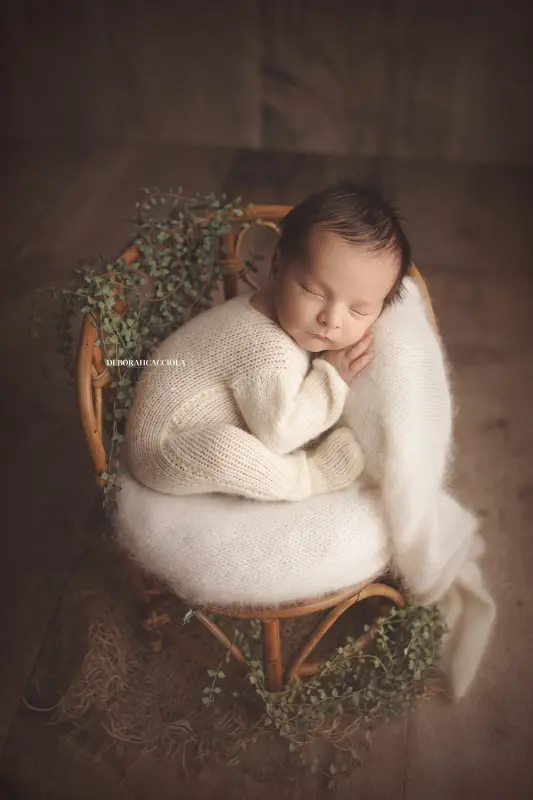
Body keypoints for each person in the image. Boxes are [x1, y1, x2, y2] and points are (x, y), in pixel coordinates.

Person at [124, 182, 411, 501]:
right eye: (315, 293)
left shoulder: (277, 312)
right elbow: (280, 433)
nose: (332, 318)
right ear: (277, 267)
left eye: (358, 310)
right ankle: (308, 478)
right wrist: (331, 377)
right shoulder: (267, 348)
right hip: (162, 449)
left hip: (185, 423)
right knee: (226, 451)